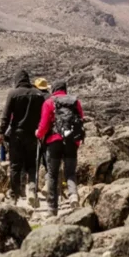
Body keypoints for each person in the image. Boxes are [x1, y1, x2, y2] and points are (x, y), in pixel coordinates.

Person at [36, 80, 85, 216]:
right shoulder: (75, 101)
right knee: (70, 173)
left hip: (54, 142)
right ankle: (73, 195)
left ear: (54, 90)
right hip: (71, 142)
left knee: (52, 174)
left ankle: (52, 209)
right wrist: (76, 141)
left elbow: (45, 123)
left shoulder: (49, 102)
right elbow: (81, 119)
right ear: (65, 89)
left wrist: (38, 134)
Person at [0, 69, 45, 207]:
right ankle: (31, 189)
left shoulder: (13, 94)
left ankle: (15, 196)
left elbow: (6, 115)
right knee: (32, 165)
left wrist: (1, 132)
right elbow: (43, 116)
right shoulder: (38, 94)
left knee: (15, 166)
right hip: (33, 134)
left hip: (16, 134)